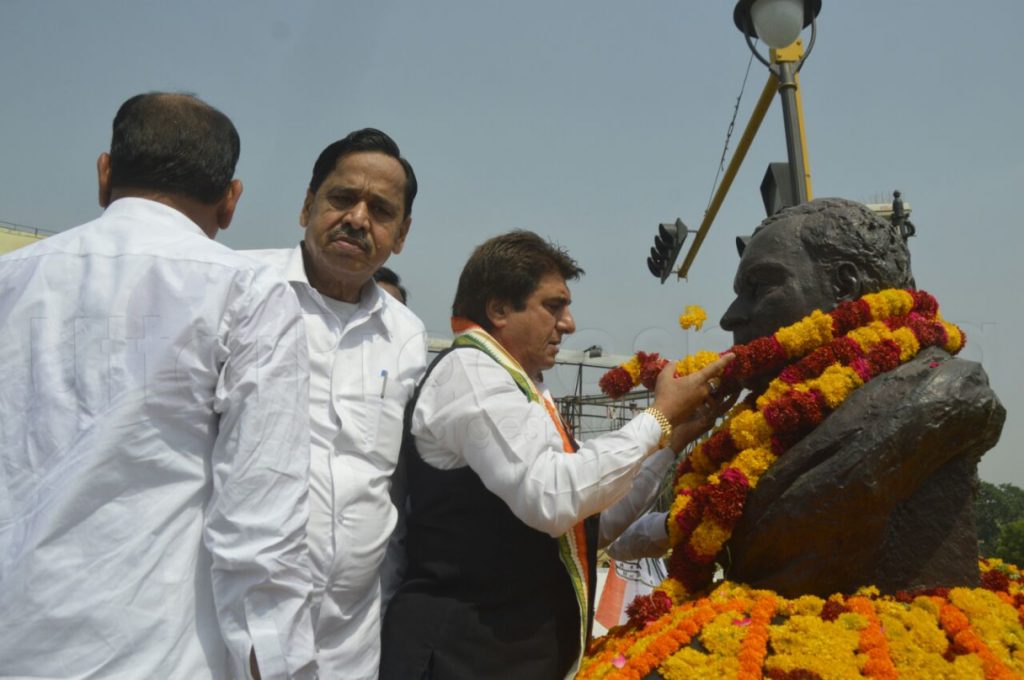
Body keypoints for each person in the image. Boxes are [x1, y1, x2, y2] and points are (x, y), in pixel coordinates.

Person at [0, 93, 316, 679]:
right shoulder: (249, 294)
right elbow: (260, 533)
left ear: (104, 174)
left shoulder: (12, 279)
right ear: (230, 201)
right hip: (154, 657)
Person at [380, 230, 732, 680]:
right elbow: (552, 498)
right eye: (553, 306)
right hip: (460, 658)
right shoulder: (471, 373)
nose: (568, 323)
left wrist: (673, 438)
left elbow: (588, 525)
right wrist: (657, 418)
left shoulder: (522, 386)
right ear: (499, 310)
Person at [719, 197, 1004, 596]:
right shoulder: (768, 424)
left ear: (844, 286)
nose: (730, 316)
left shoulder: (940, 393)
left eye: (760, 287)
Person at [245, 128, 428, 679]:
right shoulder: (241, 293)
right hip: (238, 629)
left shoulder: (407, 336)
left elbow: (393, 482)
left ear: (401, 234)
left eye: (380, 210)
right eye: (342, 198)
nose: (357, 218)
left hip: (352, 638)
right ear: (307, 204)